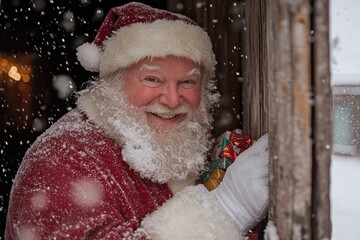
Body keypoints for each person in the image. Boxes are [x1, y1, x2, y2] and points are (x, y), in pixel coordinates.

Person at [5, 2, 269, 239]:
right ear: (115, 83)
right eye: (152, 79)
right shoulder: (61, 161)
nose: (173, 99)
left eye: (188, 81)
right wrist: (225, 211)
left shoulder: (165, 148)